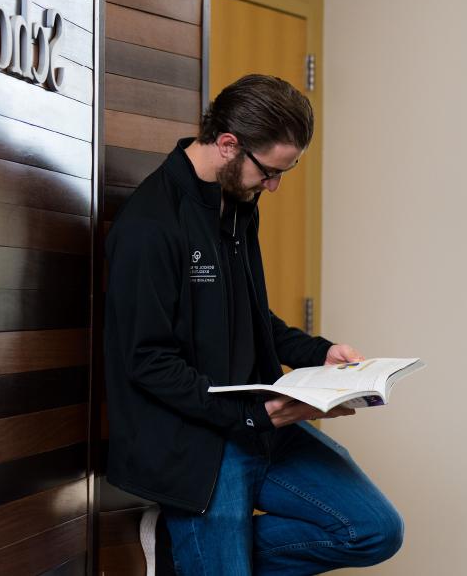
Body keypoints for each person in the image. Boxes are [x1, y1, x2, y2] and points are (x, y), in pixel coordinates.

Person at [103, 74, 403, 574]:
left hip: (257, 427)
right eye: (268, 172)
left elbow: (247, 312)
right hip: (195, 443)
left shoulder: (238, 203)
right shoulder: (150, 226)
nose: (274, 186)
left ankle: (185, 554)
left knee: (373, 530)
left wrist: (317, 353)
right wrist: (252, 416)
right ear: (228, 144)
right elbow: (147, 363)